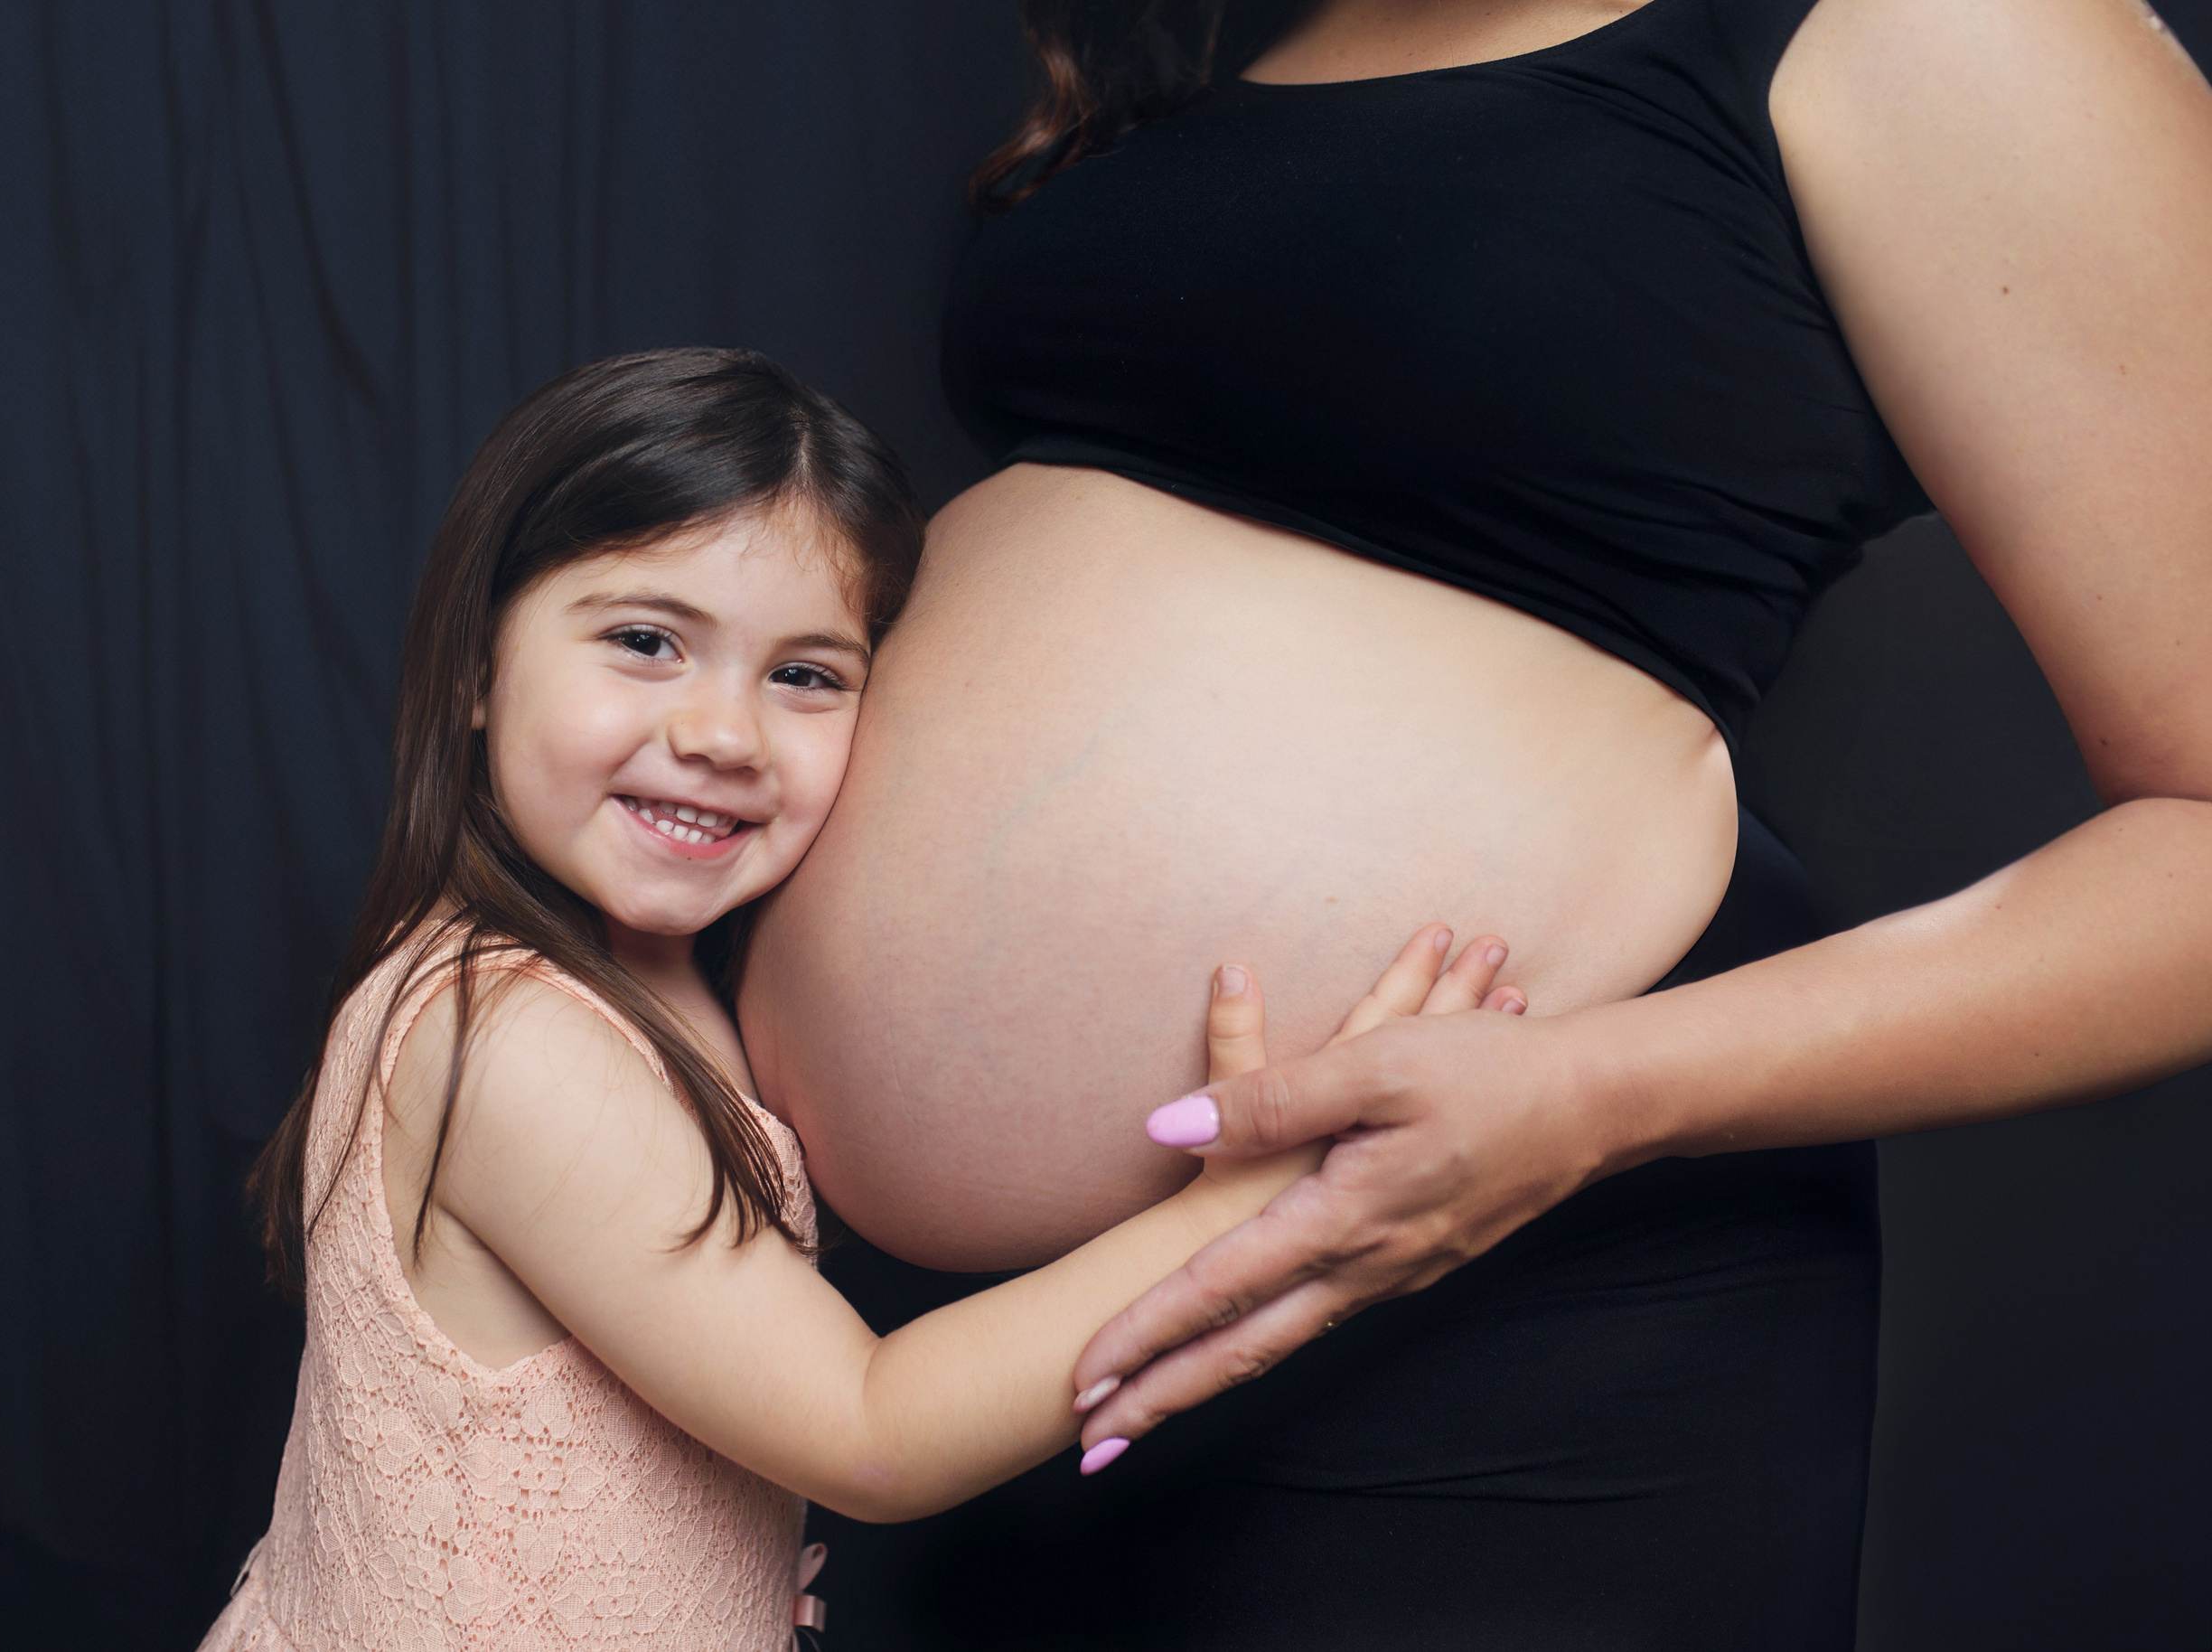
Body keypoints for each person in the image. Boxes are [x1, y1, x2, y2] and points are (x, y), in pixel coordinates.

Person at [740, 0, 2212, 1646]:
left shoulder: (1933, 29)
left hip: (1495, 1285)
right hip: (926, 1359)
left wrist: (1590, 1097)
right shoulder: (1258, 38)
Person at [207, 346, 1515, 1650]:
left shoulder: (662, 978)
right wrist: (1238, 1205)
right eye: (647, 642)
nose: (725, 734)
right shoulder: (506, 1037)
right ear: (476, 671)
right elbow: (870, 1430)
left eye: (806, 676)